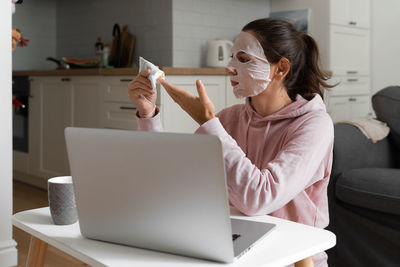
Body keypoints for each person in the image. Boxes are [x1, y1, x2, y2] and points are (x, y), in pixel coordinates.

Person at [127, 18, 335, 267]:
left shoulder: (314, 126)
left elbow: (259, 198)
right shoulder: (228, 119)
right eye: (232, 57)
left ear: (280, 69)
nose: (230, 67)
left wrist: (207, 123)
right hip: (232, 251)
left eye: (243, 59)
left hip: (289, 259)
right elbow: (171, 181)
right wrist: (148, 115)